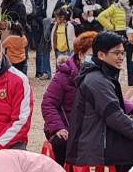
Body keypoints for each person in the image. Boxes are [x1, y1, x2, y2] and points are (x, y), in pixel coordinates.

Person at [66, 33, 133, 171]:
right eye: (116, 53)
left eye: (122, 53)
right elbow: (115, 117)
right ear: (101, 55)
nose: (121, 57)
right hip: (92, 144)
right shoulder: (97, 80)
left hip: (98, 138)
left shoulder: (102, 75)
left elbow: (115, 112)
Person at [41, 31, 100, 163]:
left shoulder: (101, 75)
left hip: (90, 128)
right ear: (80, 55)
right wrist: (58, 127)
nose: (95, 59)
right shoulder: (63, 76)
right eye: (91, 55)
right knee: (62, 143)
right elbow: (48, 104)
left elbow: (112, 99)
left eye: (99, 55)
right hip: (66, 126)